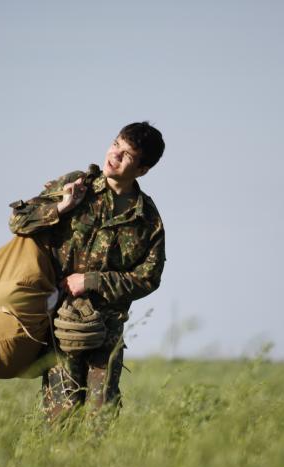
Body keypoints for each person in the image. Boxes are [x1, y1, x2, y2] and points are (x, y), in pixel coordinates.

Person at [9, 121, 166, 423]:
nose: (114, 155)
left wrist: (91, 281)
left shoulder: (147, 219)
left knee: (100, 416)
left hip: (105, 333)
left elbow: (149, 277)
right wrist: (62, 207)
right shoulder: (77, 185)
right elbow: (18, 222)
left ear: (142, 169)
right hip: (60, 324)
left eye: (126, 154)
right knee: (61, 416)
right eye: (115, 144)